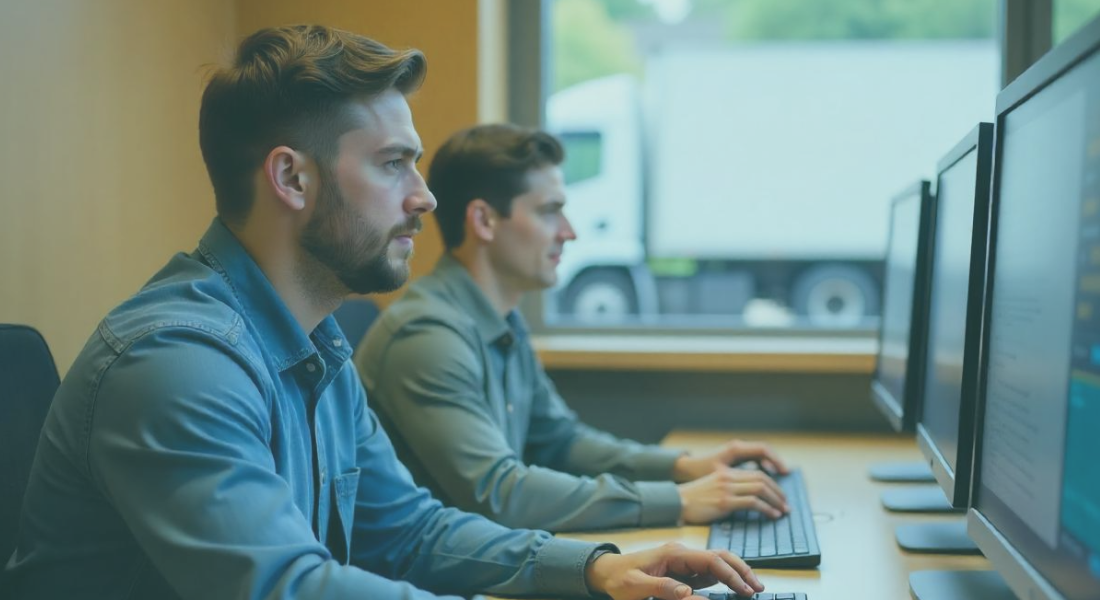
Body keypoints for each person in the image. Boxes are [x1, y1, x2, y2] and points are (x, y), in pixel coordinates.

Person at [1, 26, 766, 600]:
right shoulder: (173, 363)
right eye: (393, 164)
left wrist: (596, 569)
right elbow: (289, 589)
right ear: (292, 179)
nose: (425, 198)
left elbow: (407, 530)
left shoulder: (316, 344)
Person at [354, 123, 792, 533]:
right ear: (484, 221)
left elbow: (560, 441)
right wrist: (676, 500)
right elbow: (500, 494)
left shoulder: (497, 318)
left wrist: (684, 467)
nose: (570, 233)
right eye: (549, 212)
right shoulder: (427, 335)